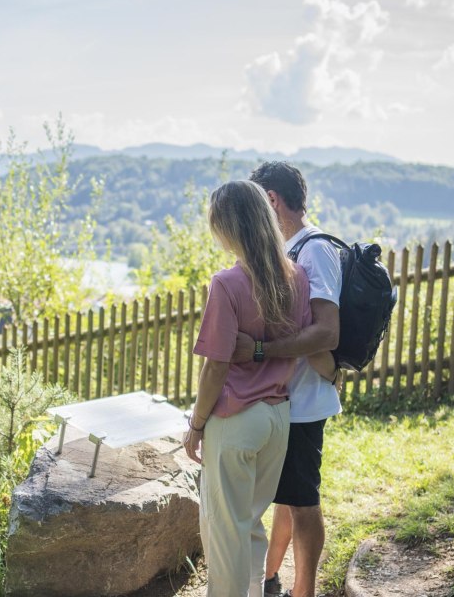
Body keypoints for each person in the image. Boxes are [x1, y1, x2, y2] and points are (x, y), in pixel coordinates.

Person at [182, 179, 331, 597]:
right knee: (248, 525)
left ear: (227, 227)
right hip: (277, 419)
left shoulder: (227, 283)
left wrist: (195, 425)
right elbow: (302, 342)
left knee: (224, 533)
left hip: (234, 420)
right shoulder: (296, 275)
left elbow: (216, 366)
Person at [232, 162, 342, 597]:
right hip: (283, 400)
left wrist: (260, 351)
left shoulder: (314, 250)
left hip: (305, 402)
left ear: (272, 201)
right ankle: (269, 577)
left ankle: (305, 591)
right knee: (287, 497)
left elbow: (326, 331)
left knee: (303, 500)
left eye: (258, 205)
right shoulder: (290, 249)